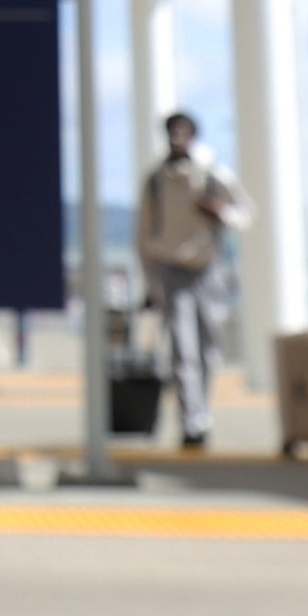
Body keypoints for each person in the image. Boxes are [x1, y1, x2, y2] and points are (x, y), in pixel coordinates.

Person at [134, 110, 249, 450]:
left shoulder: (213, 174)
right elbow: (143, 235)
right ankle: (192, 420)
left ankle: (203, 410)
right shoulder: (156, 181)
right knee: (183, 350)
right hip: (171, 268)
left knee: (208, 347)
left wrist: (221, 213)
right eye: (172, 132)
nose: (177, 138)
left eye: (184, 132)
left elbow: (245, 213)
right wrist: (150, 283)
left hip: (208, 269)